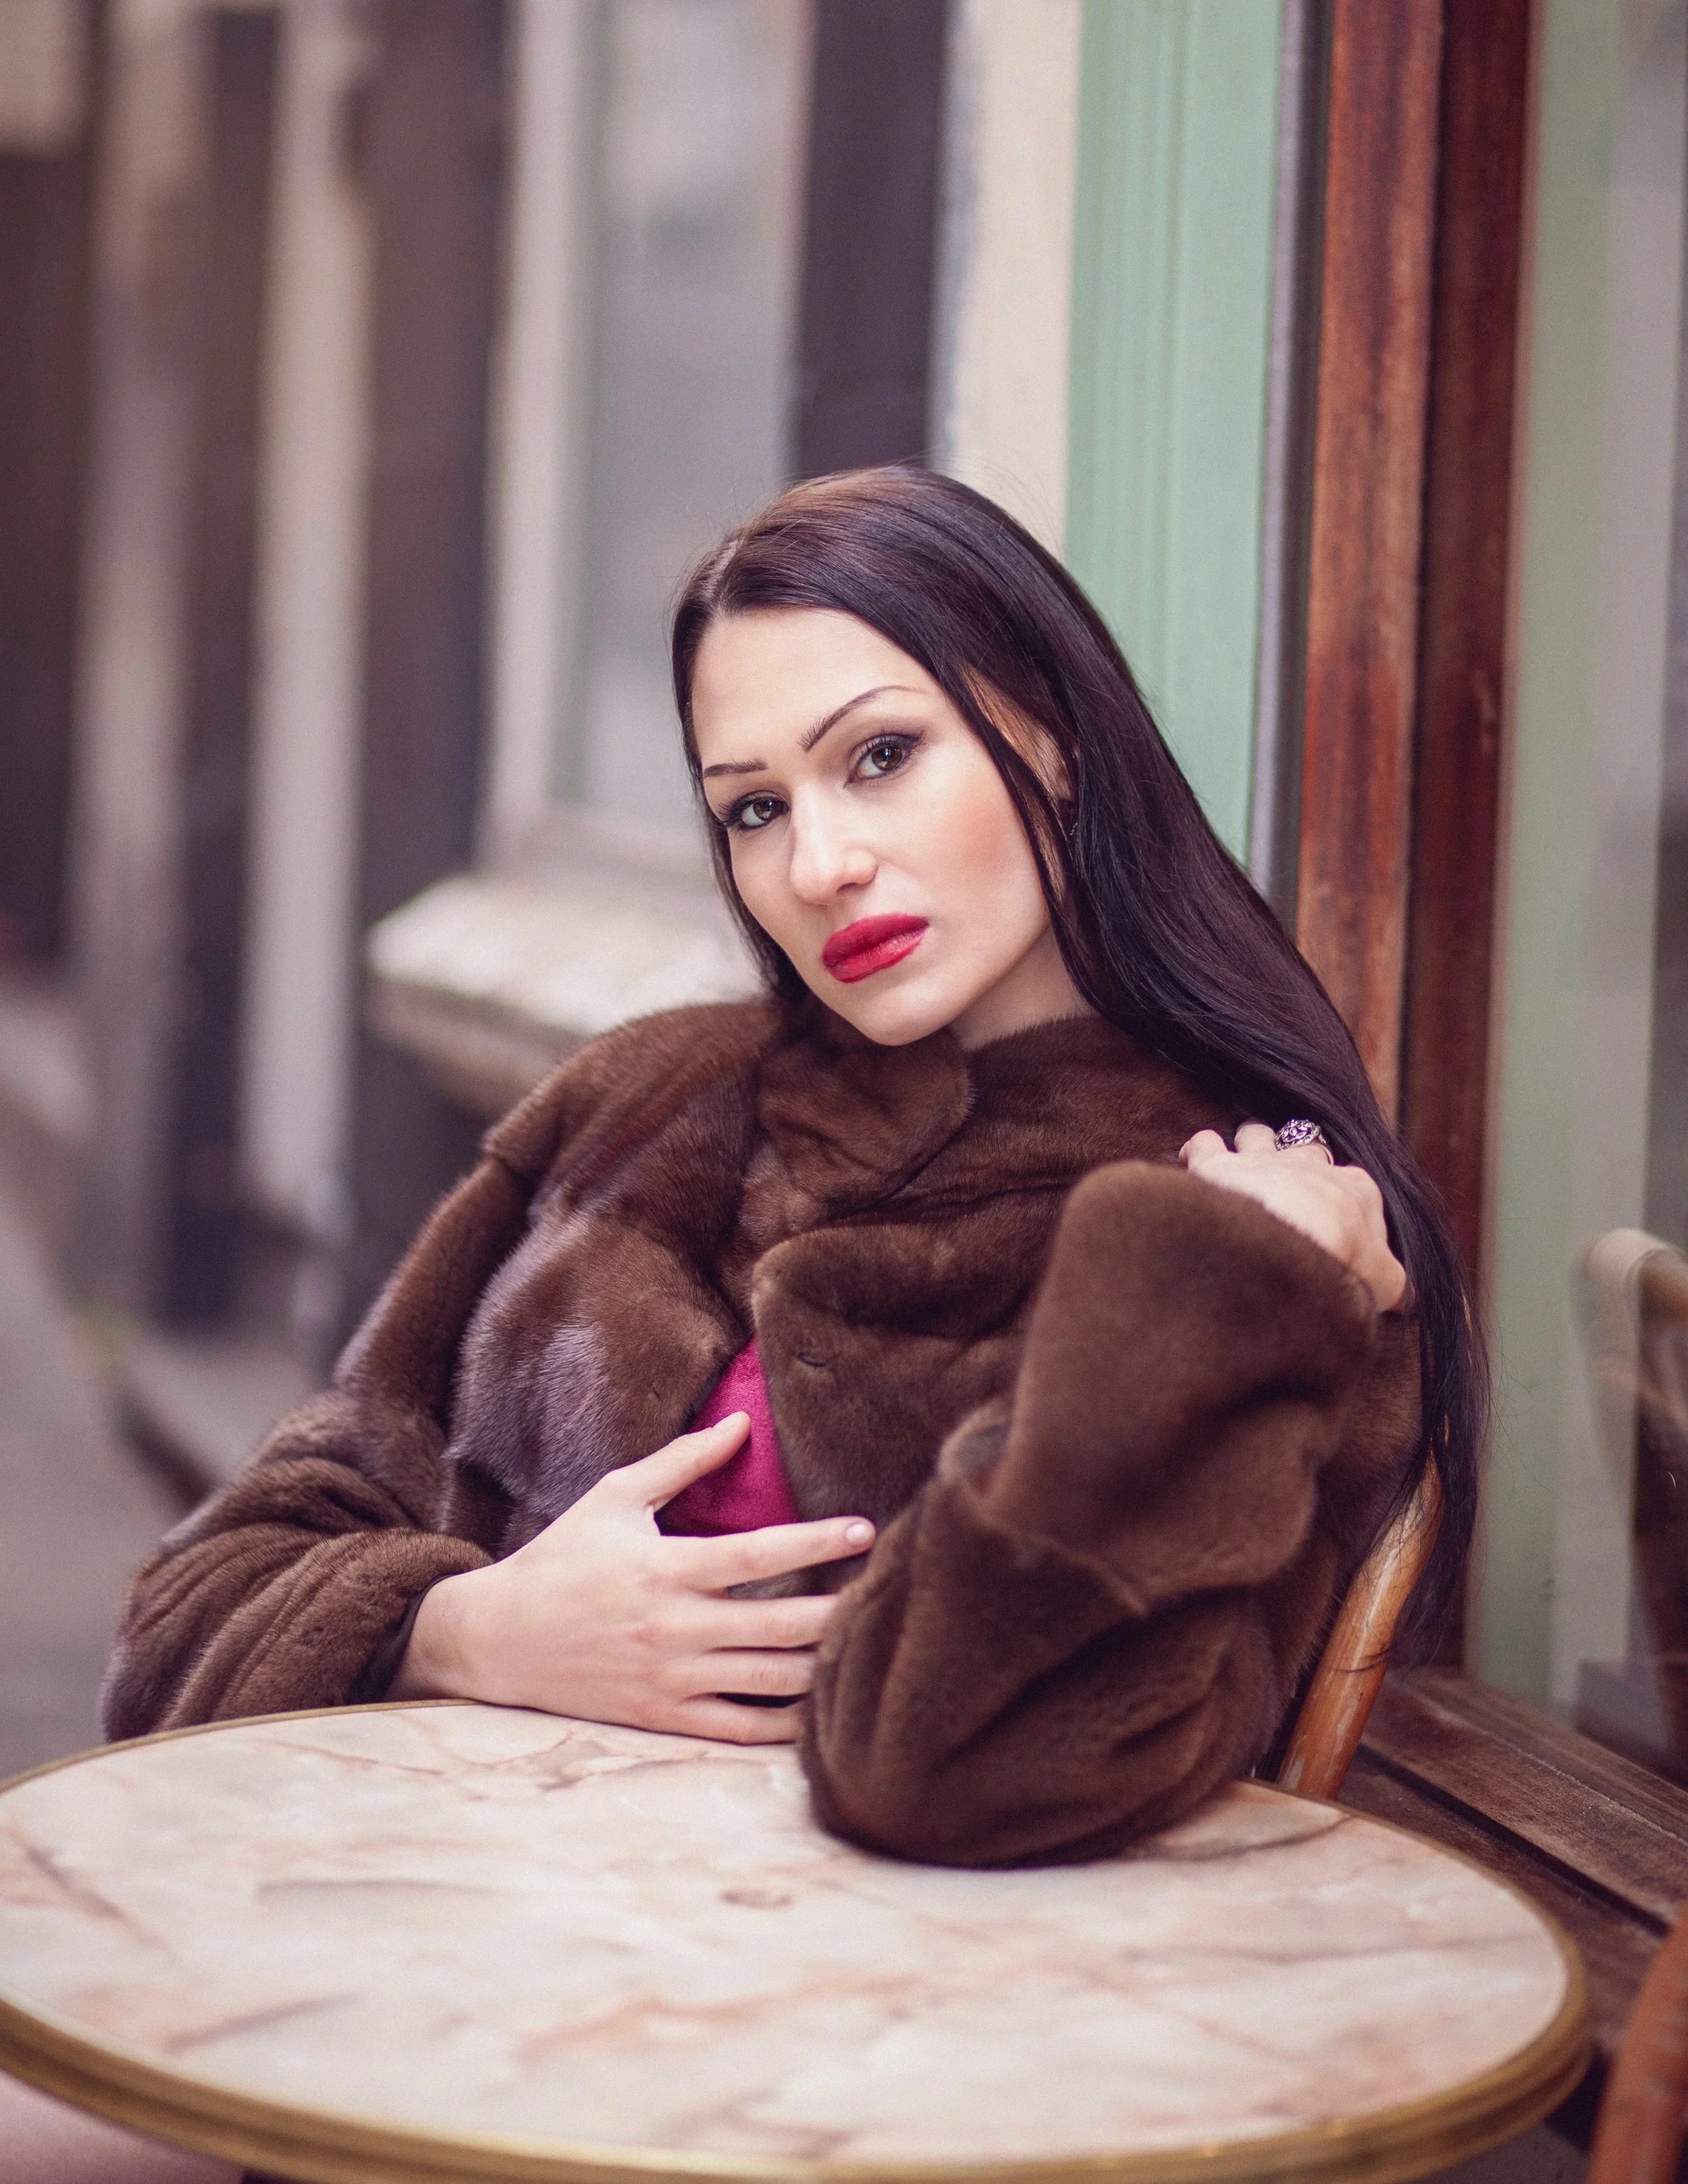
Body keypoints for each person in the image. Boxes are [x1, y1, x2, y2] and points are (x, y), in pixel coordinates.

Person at [101, 467, 1478, 1871]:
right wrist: (468, 1630)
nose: (818, 863)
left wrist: (1215, 1296)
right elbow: (183, 1622)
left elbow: (969, 1770)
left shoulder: (1261, 1254)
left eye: (878, 756)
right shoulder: (647, 1107)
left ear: (1052, 732)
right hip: (438, 1950)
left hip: (886, 2055)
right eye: (753, 808)